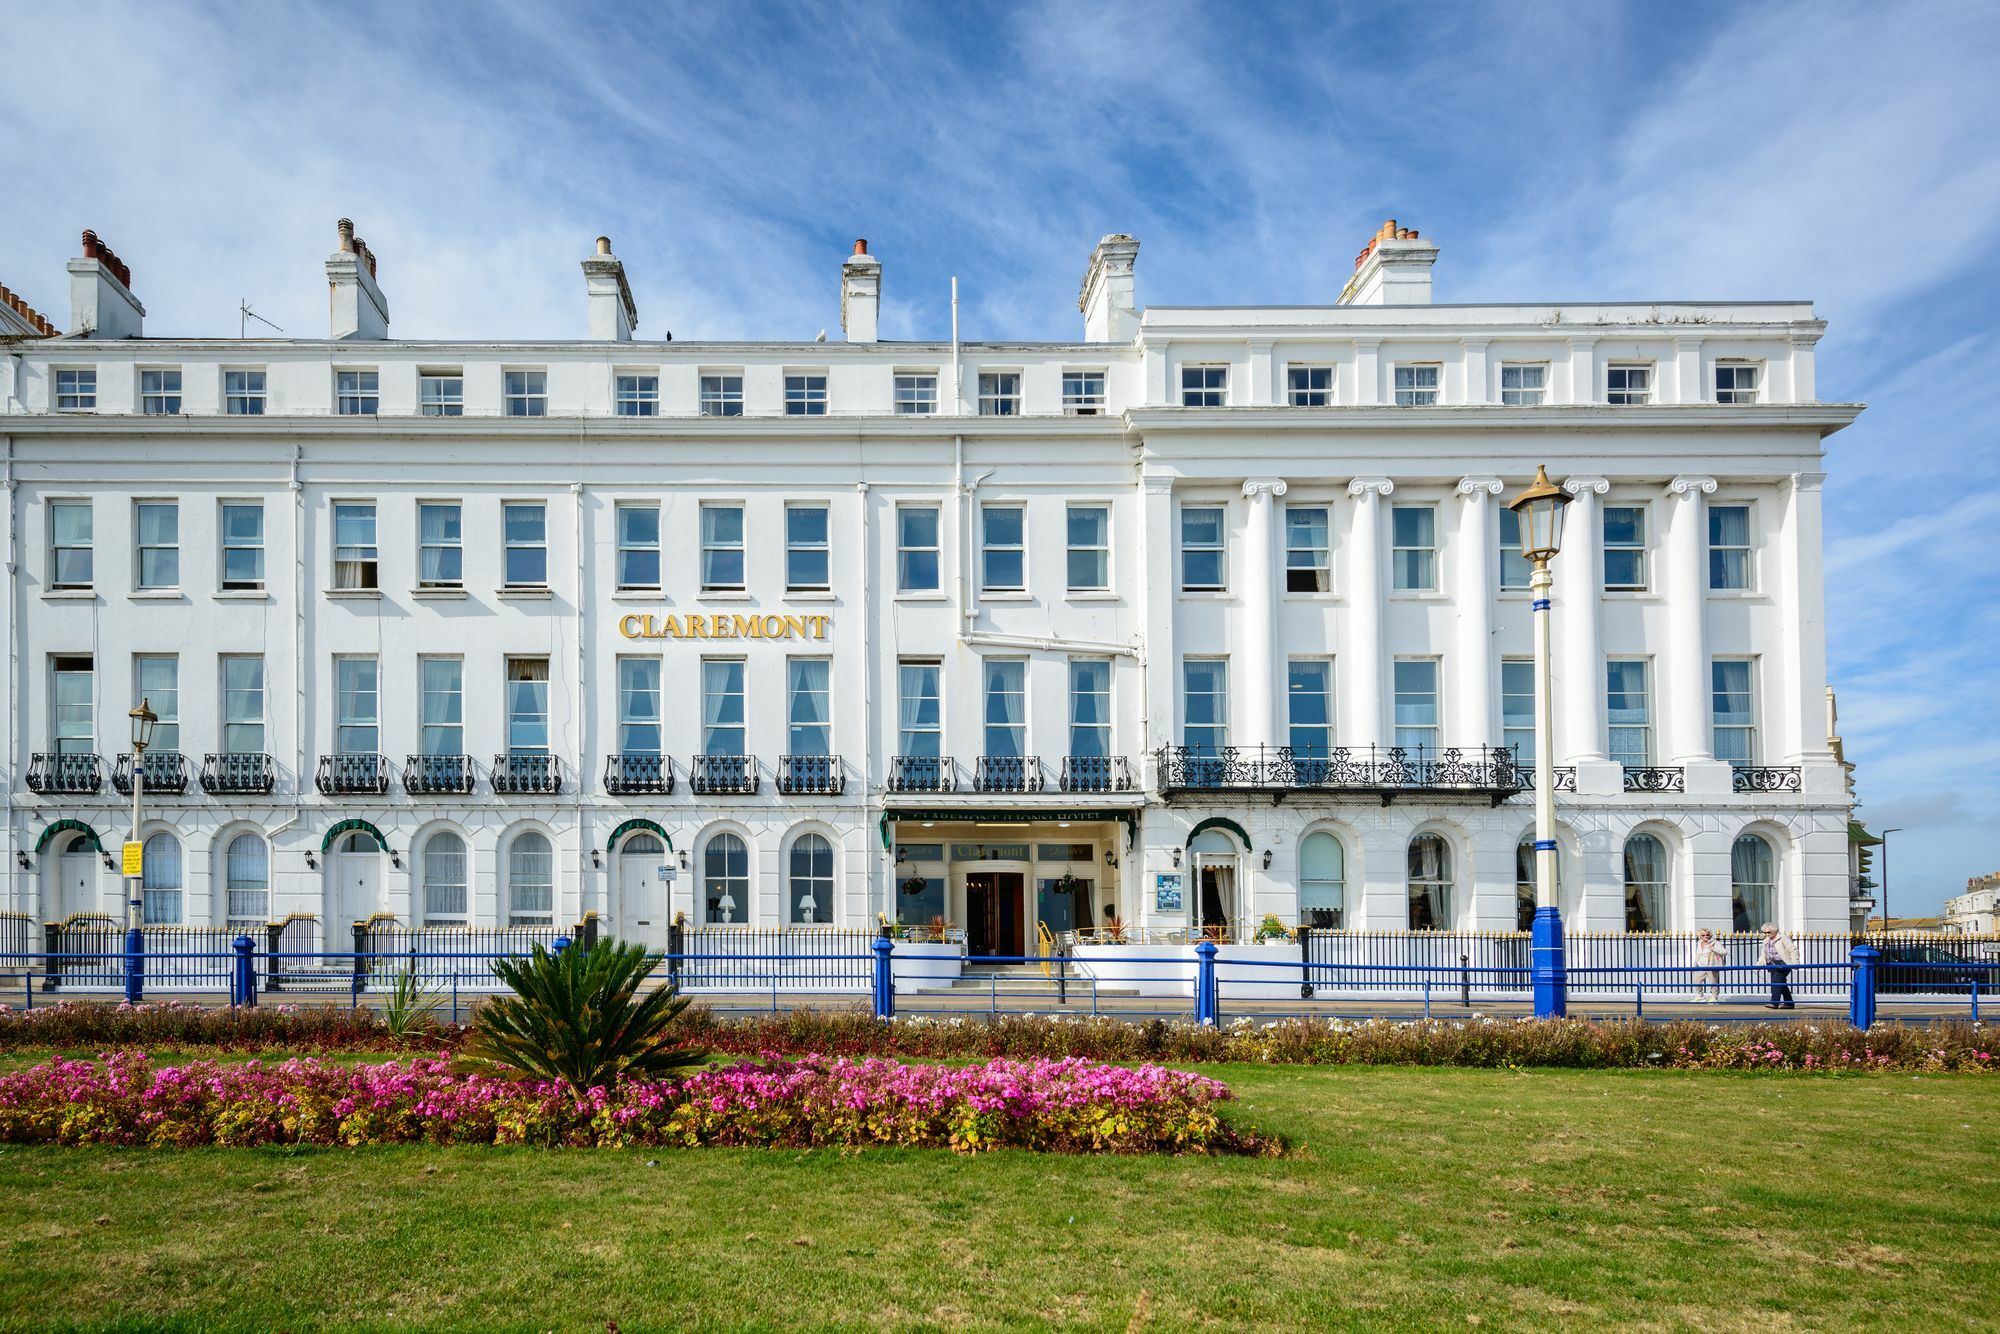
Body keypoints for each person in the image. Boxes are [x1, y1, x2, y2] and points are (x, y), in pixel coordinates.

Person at [1760, 922, 1796, 1009]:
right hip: (1772, 965)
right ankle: (1789, 1003)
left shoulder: (1783, 938)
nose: (1766, 934)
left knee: (1776, 983)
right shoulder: (1766, 941)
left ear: (1774, 931)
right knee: (1781, 984)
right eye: (1765, 933)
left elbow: (1793, 950)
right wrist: (1760, 963)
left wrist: (1795, 963)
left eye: (1768, 932)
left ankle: (1774, 1002)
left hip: (1783, 964)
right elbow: (1763, 954)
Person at [1694, 928, 1726, 1003]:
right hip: (1701, 965)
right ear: (1700, 936)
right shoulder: (1699, 943)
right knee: (1696, 980)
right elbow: (1698, 954)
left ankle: (1714, 997)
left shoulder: (1715, 942)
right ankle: (1700, 996)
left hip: (1712, 965)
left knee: (1713, 982)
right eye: (1703, 935)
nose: (1706, 936)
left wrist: (1713, 948)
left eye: (1707, 935)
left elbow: (1724, 952)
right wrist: (1695, 963)